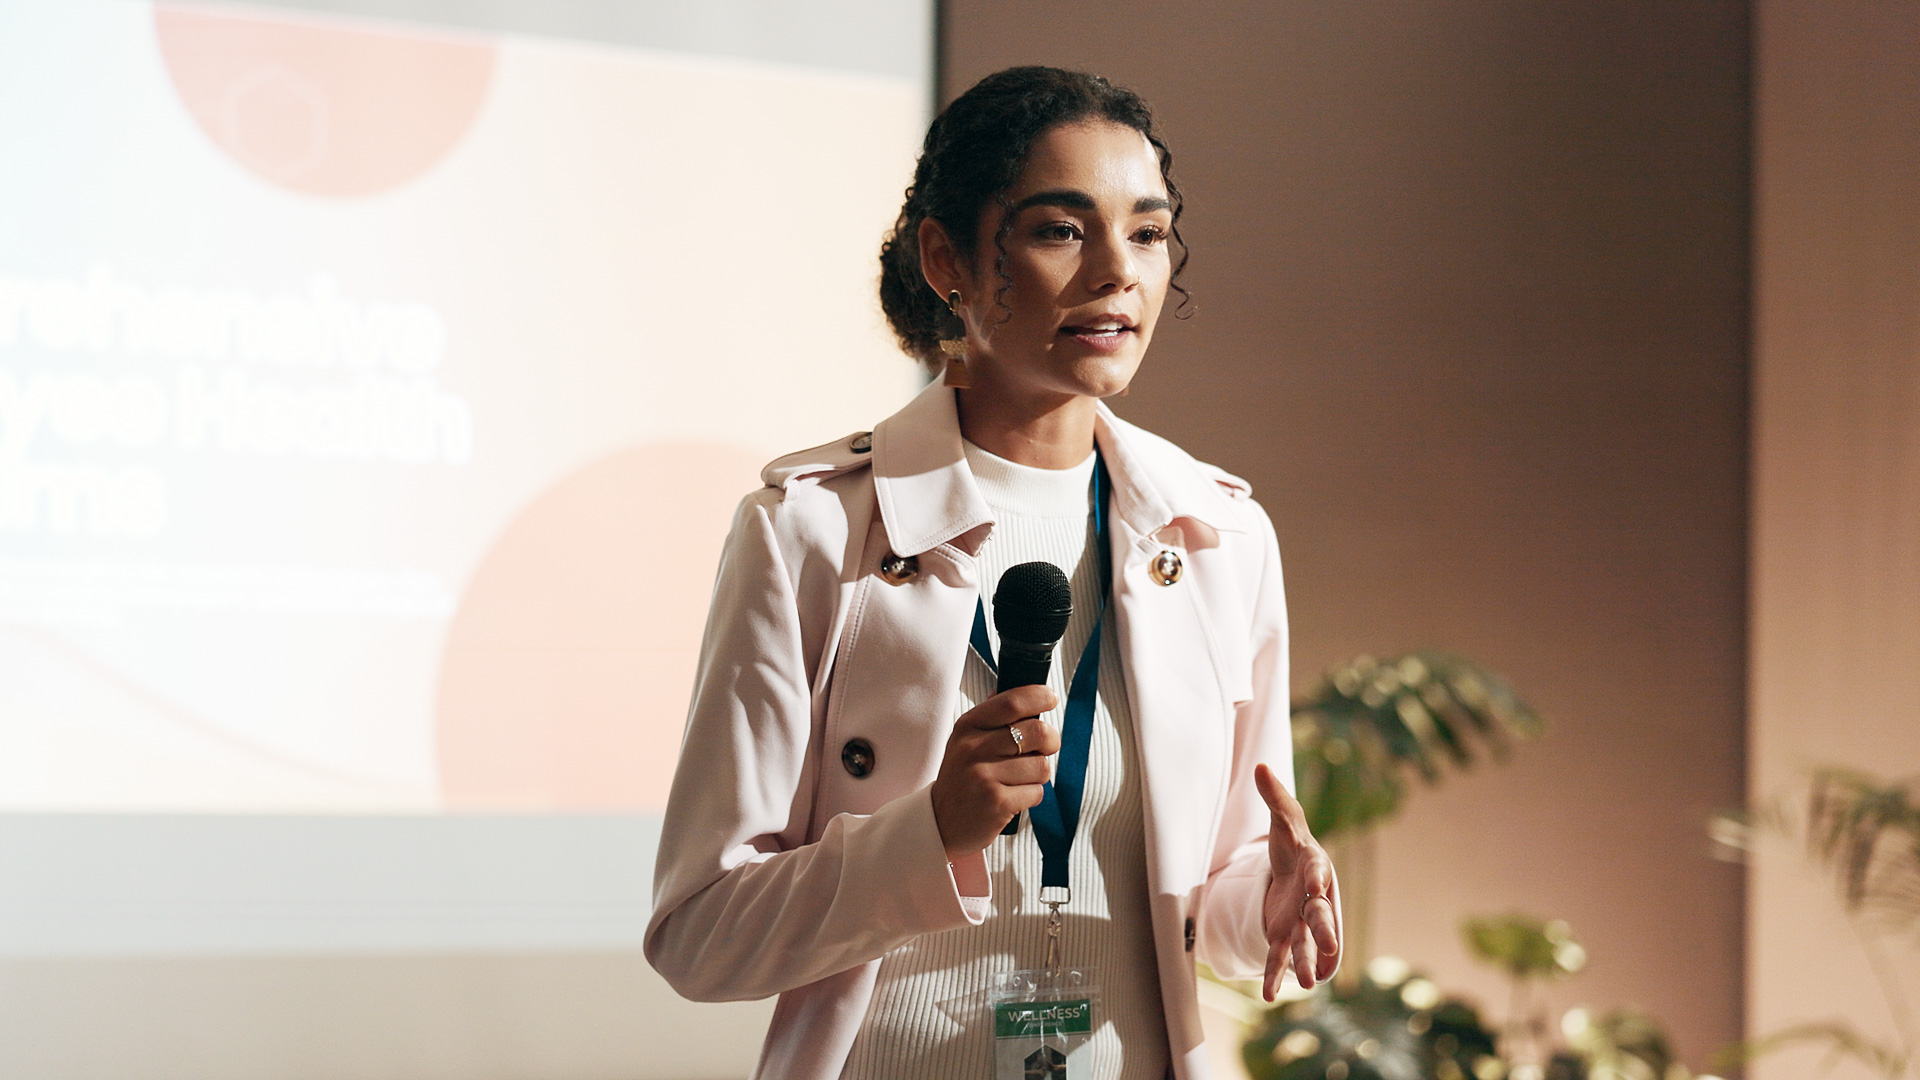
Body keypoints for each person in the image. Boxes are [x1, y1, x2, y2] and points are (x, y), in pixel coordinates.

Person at [645, 66, 1342, 1080]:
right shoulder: (807, 530)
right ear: (947, 259)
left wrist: (1261, 905)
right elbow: (701, 936)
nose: (1118, 272)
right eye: (1062, 230)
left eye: (1148, 233)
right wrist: (928, 832)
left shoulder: (1218, 537)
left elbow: (1213, 910)